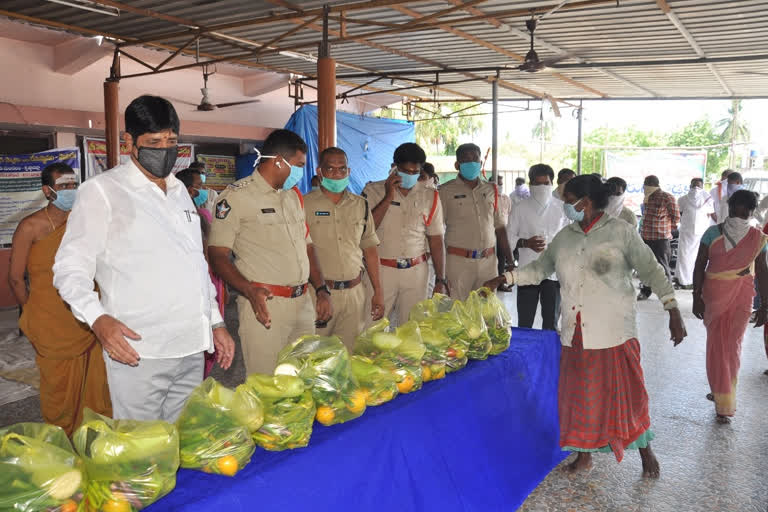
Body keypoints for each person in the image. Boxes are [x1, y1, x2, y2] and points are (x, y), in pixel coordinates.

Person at [484, 174, 687, 477]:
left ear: (586, 202)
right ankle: (583, 455)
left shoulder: (622, 232)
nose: (564, 206)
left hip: (615, 331)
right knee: (579, 398)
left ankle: (645, 451)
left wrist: (672, 309)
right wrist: (507, 277)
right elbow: (541, 268)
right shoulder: (566, 237)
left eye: (567, 201)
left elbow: (652, 270)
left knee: (627, 395)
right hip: (576, 332)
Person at [53, 95, 234, 422]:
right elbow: (69, 269)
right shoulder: (103, 191)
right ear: (129, 142)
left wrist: (215, 322)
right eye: (154, 142)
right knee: (141, 452)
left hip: (191, 343)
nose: (164, 150)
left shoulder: (180, 192)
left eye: (171, 142)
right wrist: (97, 319)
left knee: (180, 439)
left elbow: (196, 265)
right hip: (140, 349)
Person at [209, 129, 333, 374]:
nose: (301, 172)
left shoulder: (292, 197)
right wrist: (248, 290)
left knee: (304, 379)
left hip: (302, 303)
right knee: (267, 384)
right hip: (266, 307)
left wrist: (320, 289)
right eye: (298, 165)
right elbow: (217, 254)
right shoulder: (236, 197)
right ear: (278, 161)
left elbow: (307, 246)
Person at [9, 163, 111, 434]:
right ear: (48, 190)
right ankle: (63, 439)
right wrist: (30, 313)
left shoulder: (84, 222)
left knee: (97, 385)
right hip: (50, 321)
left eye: (73, 184)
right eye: (64, 185)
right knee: (59, 391)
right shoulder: (31, 226)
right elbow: (16, 278)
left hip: (88, 316)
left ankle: (95, 438)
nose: (71, 190)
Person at [693, 190, 768, 424]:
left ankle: (724, 398)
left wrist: (765, 304)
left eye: (748, 208)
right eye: (739, 206)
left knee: (733, 345)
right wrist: (696, 296)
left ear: (753, 211)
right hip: (714, 295)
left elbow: (763, 271)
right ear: (730, 206)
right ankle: (720, 392)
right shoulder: (712, 233)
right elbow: (699, 264)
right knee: (717, 344)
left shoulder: (758, 237)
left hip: (743, 295)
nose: (743, 212)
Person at [304, 147, 384, 351]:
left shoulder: (361, 205)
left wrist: (378, 291)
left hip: (354, 294)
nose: (337, 174)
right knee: (314, 357)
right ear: (320, 171)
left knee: (348, 358)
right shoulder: (303, 205)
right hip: (318, 294)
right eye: (330, 169)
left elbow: (370, 251)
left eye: (342, 169)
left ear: (349, 171)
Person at [362, 142, 446, 326]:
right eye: (405, 171)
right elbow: (365, 230)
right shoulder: (373, 191)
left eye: (414, 172)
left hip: (416, 272)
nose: (409, 176)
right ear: (394, 168)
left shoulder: (430, 196)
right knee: (370, 328)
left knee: (413, 328)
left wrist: (440, 278)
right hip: (381, 271)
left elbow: (436, 239)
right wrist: (388, 197)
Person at [439, 143, 513, 301]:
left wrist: (510, 260)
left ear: (480, 163)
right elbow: (437, 231)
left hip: (488, 262)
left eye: (475, 158)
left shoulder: (491, 189)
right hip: (458, 263)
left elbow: (500, 228)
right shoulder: (445, 191)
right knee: (458, 311)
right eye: (466, 159)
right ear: (457, 165)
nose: (471, 162)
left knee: (486, 312)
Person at [176, 167, 226, 377]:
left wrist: (220, 284)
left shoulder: (202, 214)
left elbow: (208, 253)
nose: (200, 192)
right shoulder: (174, 217)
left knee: (214, 330)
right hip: (189, 285)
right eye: (197, 188)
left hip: (211, 279)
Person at [506, 164, 569, 330]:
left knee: (551, 320)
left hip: (553, 272)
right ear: (530, 183)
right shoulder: (520, 208)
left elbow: (570, 239)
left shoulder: (562, 209)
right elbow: (509, 237)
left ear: (552, 183)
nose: (542, 188)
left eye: (546, 183)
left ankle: (549, 354)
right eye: (537, 183)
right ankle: (526, 353)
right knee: (525, 321)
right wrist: (526, 243)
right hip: (527, 270)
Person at [637, 175, 680, 301]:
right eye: (645, 183)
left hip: (661, 239)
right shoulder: (647, 198)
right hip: (646, 238)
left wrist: (664, 229)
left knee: (662, 267)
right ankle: (645, 291)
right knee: (646, 267)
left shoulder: (667, 197)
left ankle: (667, 295)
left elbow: (676, 217)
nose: (645, 186)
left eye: (647, 183)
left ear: (655, 184)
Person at [676, 178, 714, 289]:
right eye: (695, 186)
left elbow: (681, 213)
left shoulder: (683, 199)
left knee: (688, 255)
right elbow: (710, 214)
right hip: (694, 231)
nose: (696, 189)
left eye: (697, 186)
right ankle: (688, 280)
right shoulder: (707, 199)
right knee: (691, 255)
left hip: (693, 231)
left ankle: (686, 280)